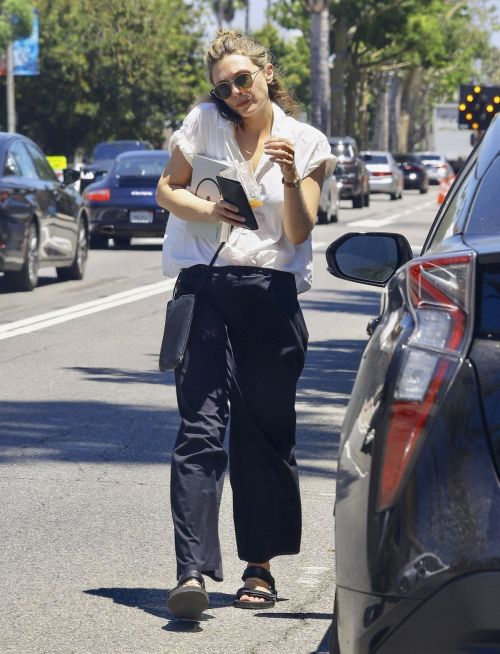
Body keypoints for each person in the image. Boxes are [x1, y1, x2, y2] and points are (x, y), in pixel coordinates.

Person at [156, 28, 335, 620]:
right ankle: (192, 571)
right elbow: (167, 188)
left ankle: (259, 566)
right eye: (223, 86)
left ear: (266, 72)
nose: (234, 92)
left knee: (263, 435)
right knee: (200, 429)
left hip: (270, 294)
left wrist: (288, 177)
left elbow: (301, 231)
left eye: (242, 79)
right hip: (204, 285)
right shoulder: (204, 122)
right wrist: (208, 209)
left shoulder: (305, 140)